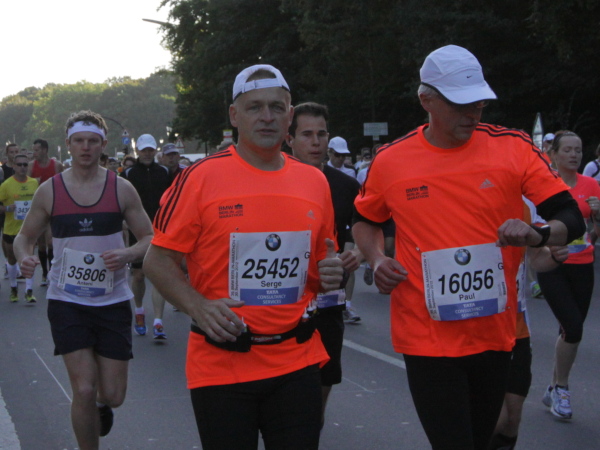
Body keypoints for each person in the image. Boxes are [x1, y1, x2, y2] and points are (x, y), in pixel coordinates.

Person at [352, 45, 585, 450]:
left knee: (481, 439)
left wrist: (539, 234)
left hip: (493, 332)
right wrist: (376, 258)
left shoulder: (512, 148)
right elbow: (365, 219)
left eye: (478, 102)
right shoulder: (392, 160)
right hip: (425, 334)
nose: (473, 113)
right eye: (460, 104)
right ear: (426, 100)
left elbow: (570, 215)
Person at [144, 64, 343, 450]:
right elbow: (157, 260)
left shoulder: (314, 181)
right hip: (223, 365)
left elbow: (319, 269)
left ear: (289, 114)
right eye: (254, 107)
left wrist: (330, 272)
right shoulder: (200, 177)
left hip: (296, 360)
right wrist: (198, 307)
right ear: (234, 116)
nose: (267, 117)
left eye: (276, 107)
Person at [14, 110, 153, 450]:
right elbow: (24, 237)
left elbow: (150, 237)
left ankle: (104, 406)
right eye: (79, 141)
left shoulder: (121, 188)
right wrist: (24, 257)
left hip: (113, 300)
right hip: (67, 301)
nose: (86, 147)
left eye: (92, 141)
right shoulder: (50, 191)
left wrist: (128, 254)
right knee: (84, 388)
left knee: (113, 394)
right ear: (69, 144)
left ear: (103, 144)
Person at [286, 101, 362, 426]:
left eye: (322, 134)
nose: (316, 142)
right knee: (289, 397)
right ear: (290, 139)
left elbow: (367, 227)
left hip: (329, 301)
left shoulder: (345, 185)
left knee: (322, 386)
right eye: (307, 134)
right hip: (284, 304)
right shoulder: (273, 180)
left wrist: (360, 253)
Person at [536, 130, 600, 420]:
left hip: (583, 264)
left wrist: (598, 216)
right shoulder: (544, 185)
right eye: (568, 150)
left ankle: (553, 387)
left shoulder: (591, 185)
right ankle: (562, 389)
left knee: (569, 331)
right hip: (553, 265)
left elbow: (596, 232)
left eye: (578, 150)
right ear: (554, 154)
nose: (574, 155)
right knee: (573, 328)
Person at [121, 134, 171, 339]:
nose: (148, 154)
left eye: (150, 150)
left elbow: (171, 199)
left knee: (159, 276)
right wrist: (124, 221)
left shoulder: (164, 172)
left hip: (161, 229)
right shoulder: (129, 173)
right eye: (144, 150)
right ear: (138, 152)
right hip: (138, 230)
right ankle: (139, 310)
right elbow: (122, 200)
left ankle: (158, 322)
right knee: (139, 274)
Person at [0, 153, 39, 302]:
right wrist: (6, 209)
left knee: (29, 258)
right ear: (14, 167)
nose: (23, 167)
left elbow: (39, 204)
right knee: (12, 259)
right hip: (11, 229)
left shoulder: (33, 183)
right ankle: (13, 287)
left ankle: (29, 290)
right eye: (19, 165)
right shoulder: (6, 185)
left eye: (25, 164)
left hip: (28, 229)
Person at [29, 138, 63, 286]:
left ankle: (52, 272)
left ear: (44, 150)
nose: (34, 153)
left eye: (36, 150)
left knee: (51, 242)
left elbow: (63, 185)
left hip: (53, 208)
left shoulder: (56, 165)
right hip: (38, 209)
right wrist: (33, 183)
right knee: (41, 244)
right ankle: (44, 272)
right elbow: (27, 185)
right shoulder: (31, 166)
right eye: (33, 150)